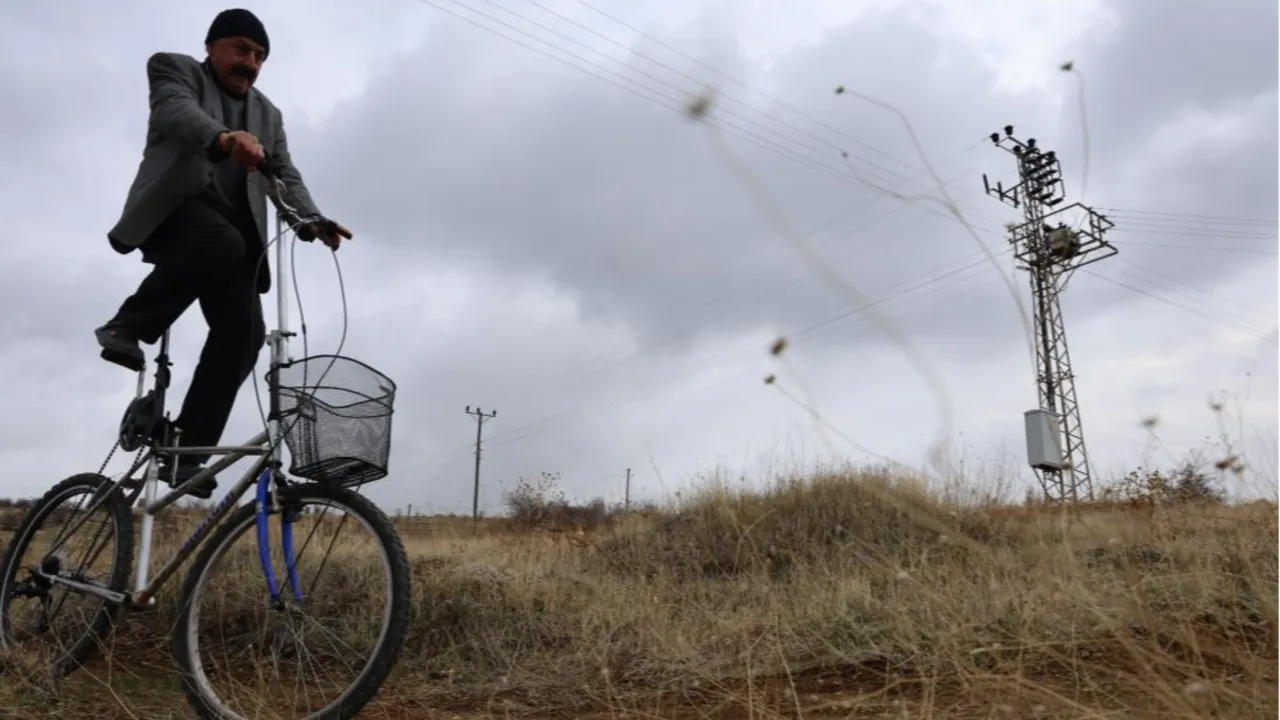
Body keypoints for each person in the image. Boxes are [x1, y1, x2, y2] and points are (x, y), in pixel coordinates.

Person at [96, 9, 352, 499]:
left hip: (230, 238)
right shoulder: (174, 69)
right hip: (178, 213)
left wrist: (311, 219)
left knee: (245, 334)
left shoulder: (268, 114)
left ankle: (186, 450)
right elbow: (175, 112)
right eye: (240, 49)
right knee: (220, 240)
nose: (249, 62)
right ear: (212, 47)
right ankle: (126, 327)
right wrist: (224, 138)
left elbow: (283, 174)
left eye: (258, 56)